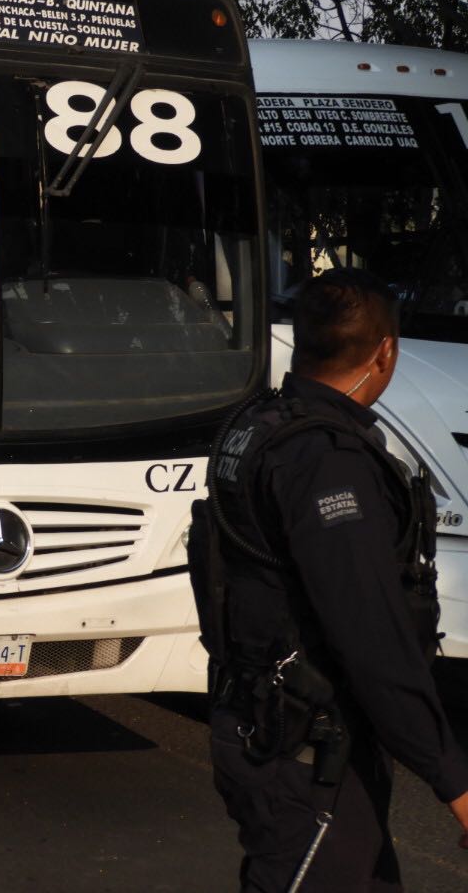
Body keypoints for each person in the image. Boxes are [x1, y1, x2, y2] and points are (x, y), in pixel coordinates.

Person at [195, 268, 468, 891]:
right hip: (306, 754)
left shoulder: (257, 424)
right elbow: (374, 638)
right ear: (385, 352)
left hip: (268, 727)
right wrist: (455, 782)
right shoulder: (326, 461)